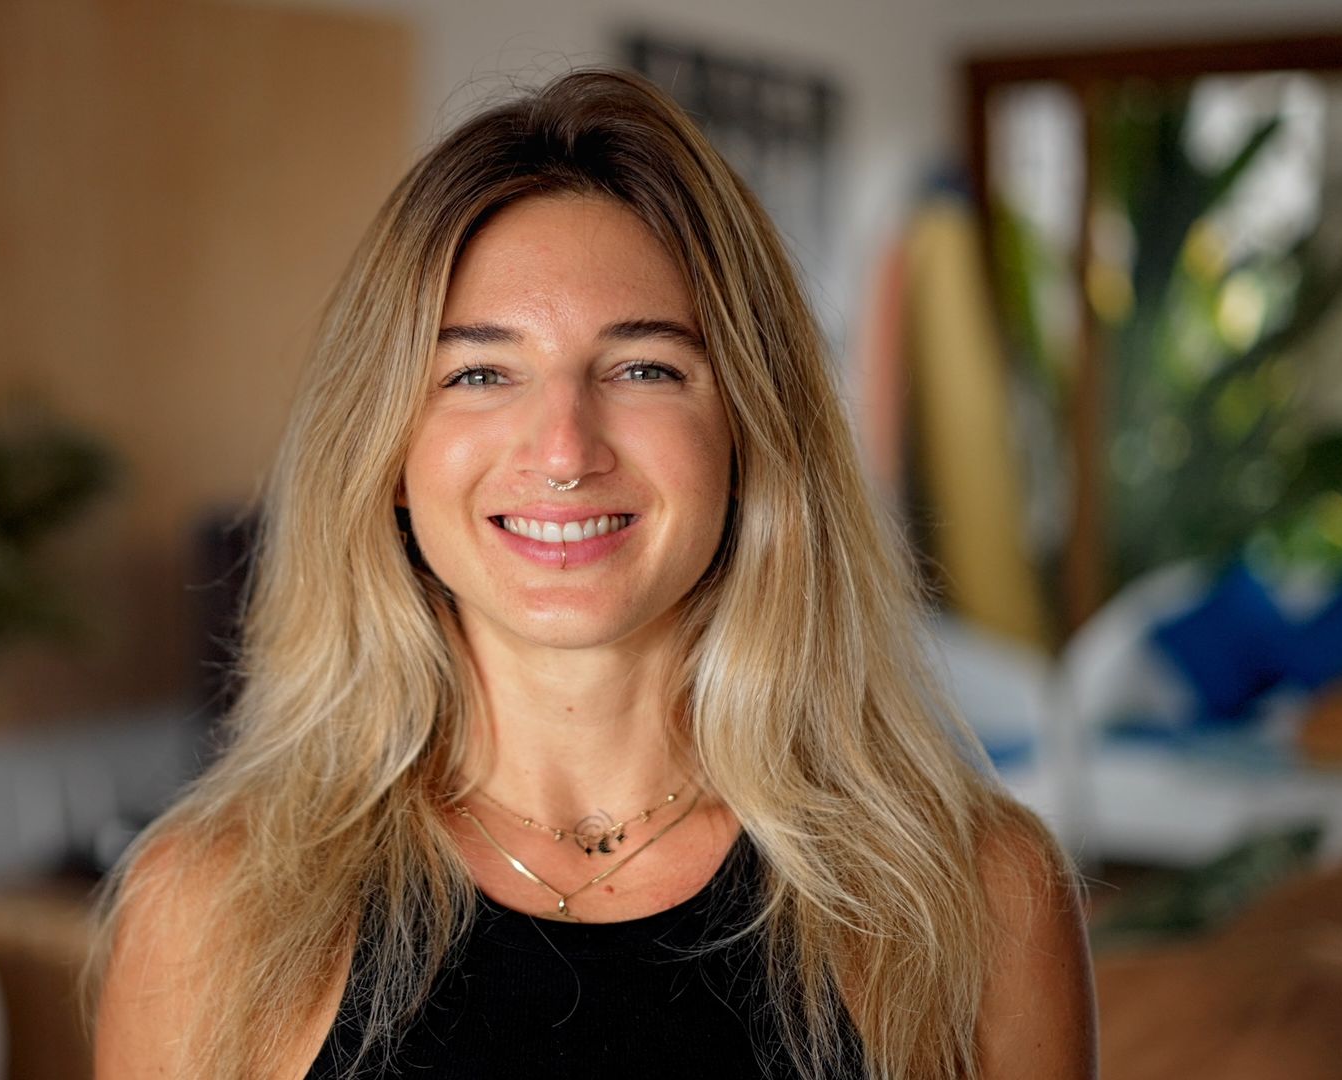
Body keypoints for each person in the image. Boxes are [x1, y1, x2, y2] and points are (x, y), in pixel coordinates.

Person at [92, 69, 1095, 1079]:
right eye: (480, 372)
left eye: (644, 368)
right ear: (388, 451)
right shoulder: (207, 909)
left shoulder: (978, 895)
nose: (565, 450)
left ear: (748, 430)